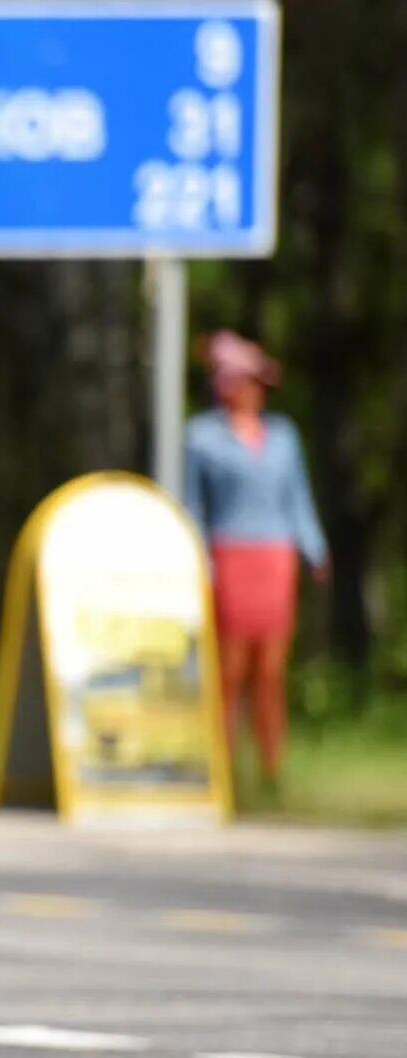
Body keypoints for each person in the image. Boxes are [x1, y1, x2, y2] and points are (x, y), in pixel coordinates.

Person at [183, 329, 329, 791]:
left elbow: (297, 497)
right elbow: (192, 504)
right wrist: (198, 557)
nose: (253, 392)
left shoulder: (284, 437)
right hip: (230, 553)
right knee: (230, 666)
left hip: (275, 556)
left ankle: (271, 767)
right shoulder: (202, 438)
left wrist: (314, 547)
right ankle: (222, 764)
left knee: (270, 668)